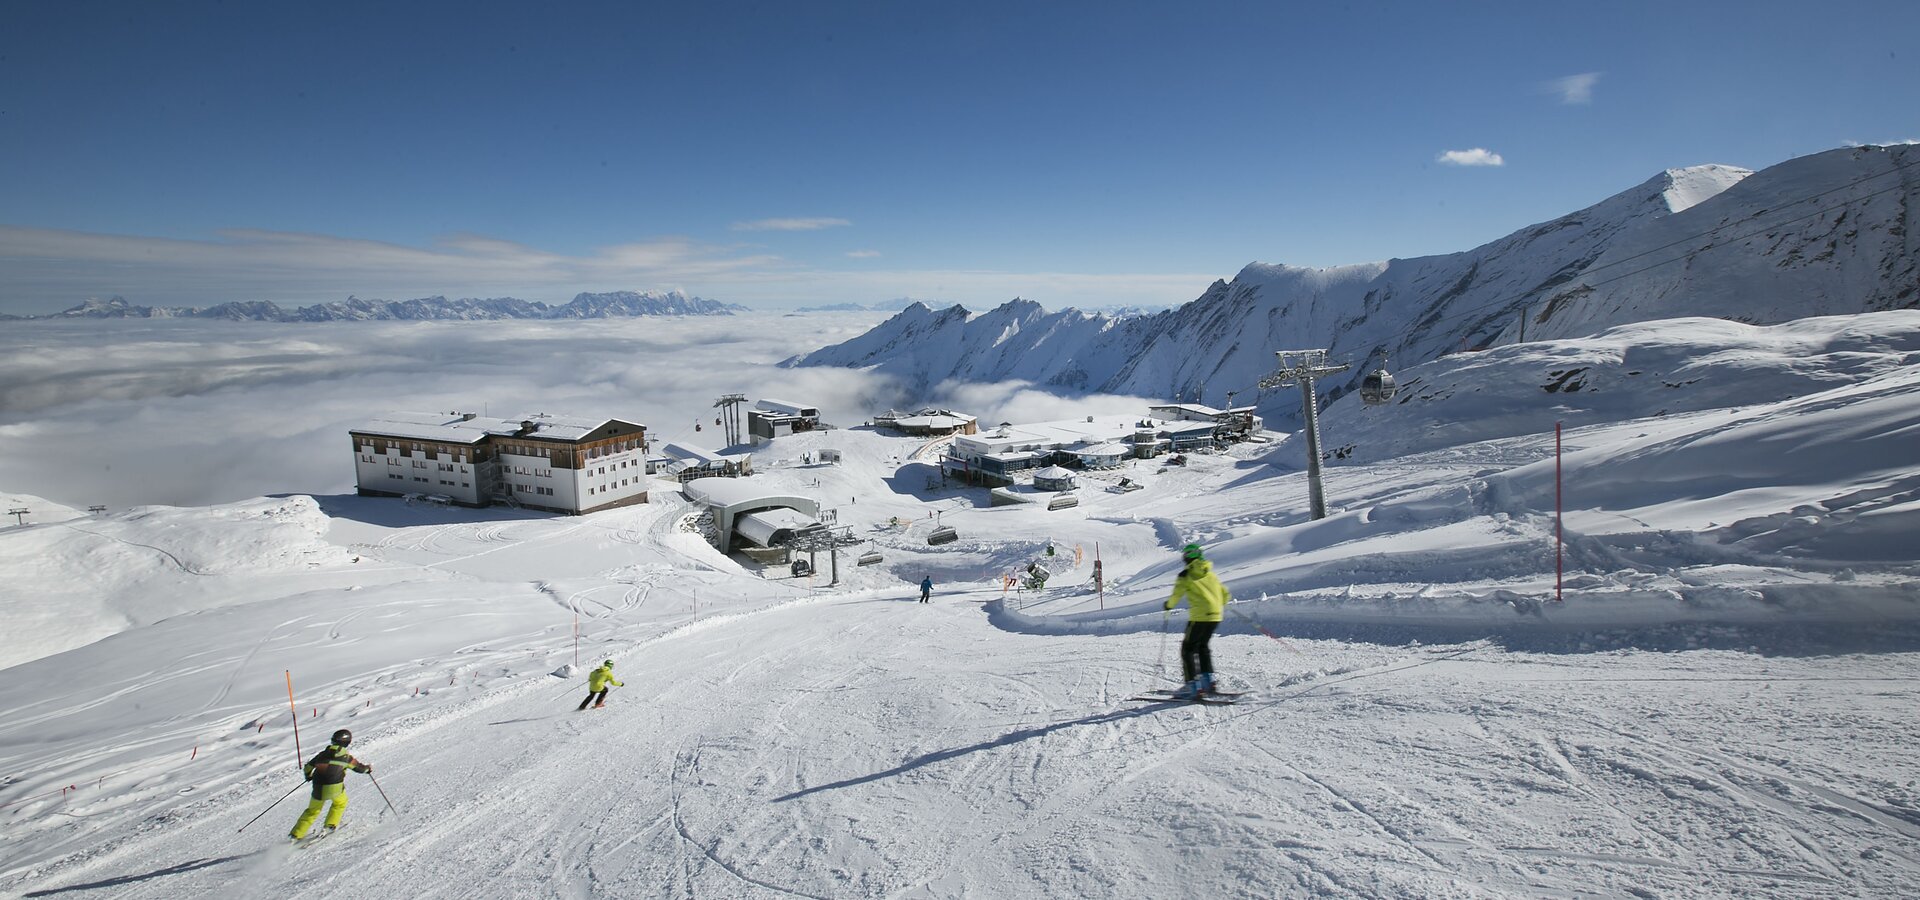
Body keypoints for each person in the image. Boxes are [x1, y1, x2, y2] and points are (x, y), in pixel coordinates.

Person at [1163, 543, 1231, 699]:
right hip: (1215, 615)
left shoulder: (1186, 575)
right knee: (1202, 646)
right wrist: (1218, 603)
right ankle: (1209, 681)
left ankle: (1192, 685)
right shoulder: (1210, 573)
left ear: (1188, 557)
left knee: (1187, 649)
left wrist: (1168, 605)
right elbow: (1225, 593)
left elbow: (1177, 594)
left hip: (1199, 617)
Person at [289, 729, 371, 841]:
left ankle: (295, 835)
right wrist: (367, 769)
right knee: (340, 803)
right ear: (347, 743)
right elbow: (359, 768)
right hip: (335, 788)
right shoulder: (346, 758)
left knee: (312, 810)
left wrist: (308, 776)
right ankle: (330, 825)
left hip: (318, 787)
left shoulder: (321, 755)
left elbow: (308, 767)